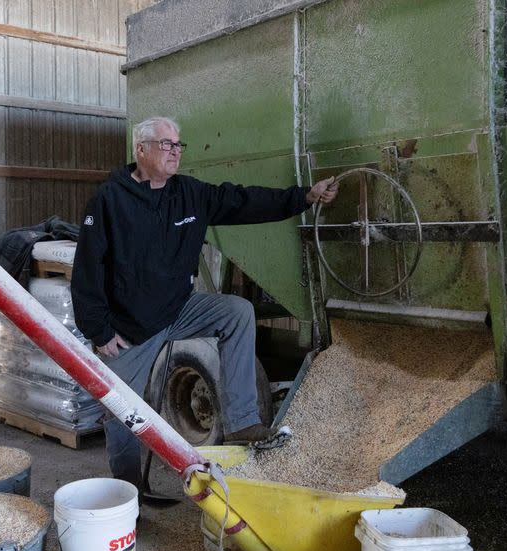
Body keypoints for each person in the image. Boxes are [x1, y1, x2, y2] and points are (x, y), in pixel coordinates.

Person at [72, 116, 338, 487]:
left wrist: (304, 197)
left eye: (178, 145)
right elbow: (86, 272)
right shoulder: (108, 202)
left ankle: (243, 422)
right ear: (141, 150)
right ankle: (128, 492)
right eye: (165, 145)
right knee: (121, 414)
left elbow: (245, 201)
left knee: (236, 312)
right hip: (129, 327)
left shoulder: (189, 194)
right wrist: (98, 331)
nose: (174, 152)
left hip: (179, 309)